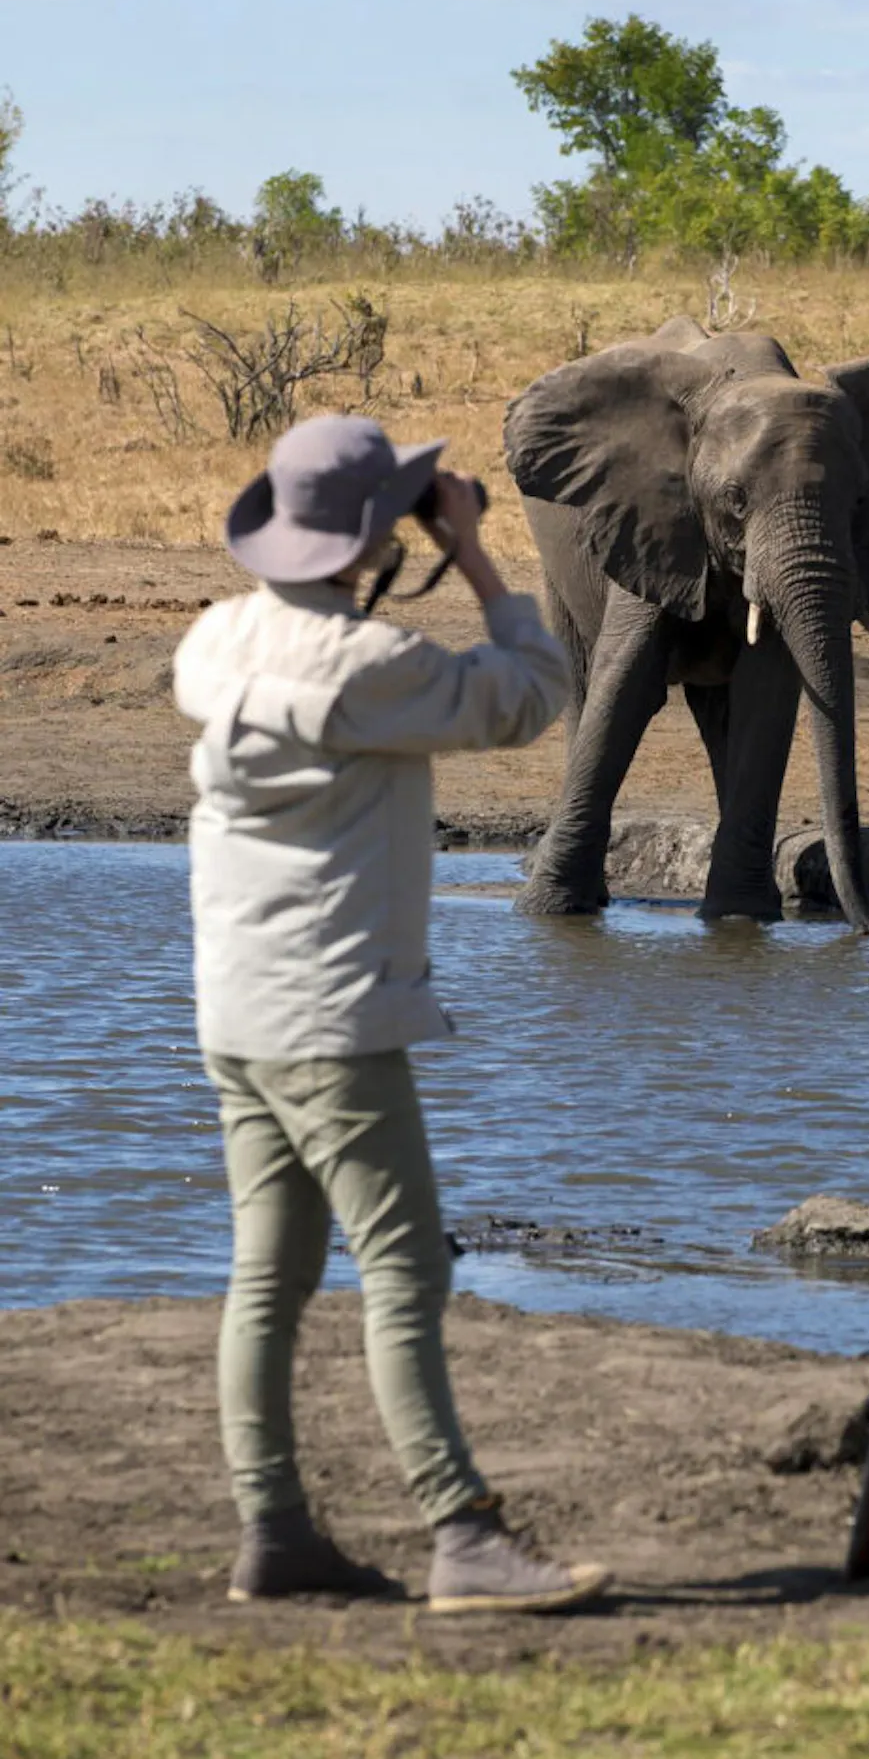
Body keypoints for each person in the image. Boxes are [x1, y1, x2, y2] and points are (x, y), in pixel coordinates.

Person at [174, 415, 609, 1614]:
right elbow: (531, 696)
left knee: (267, 1276)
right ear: (371, 540)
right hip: (334, 1019)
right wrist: (474, 558)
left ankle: (275, 1533)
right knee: (407, 1269)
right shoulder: (374, 670)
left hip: (237, 1013)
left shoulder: (210, 645)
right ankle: (461, 1532)